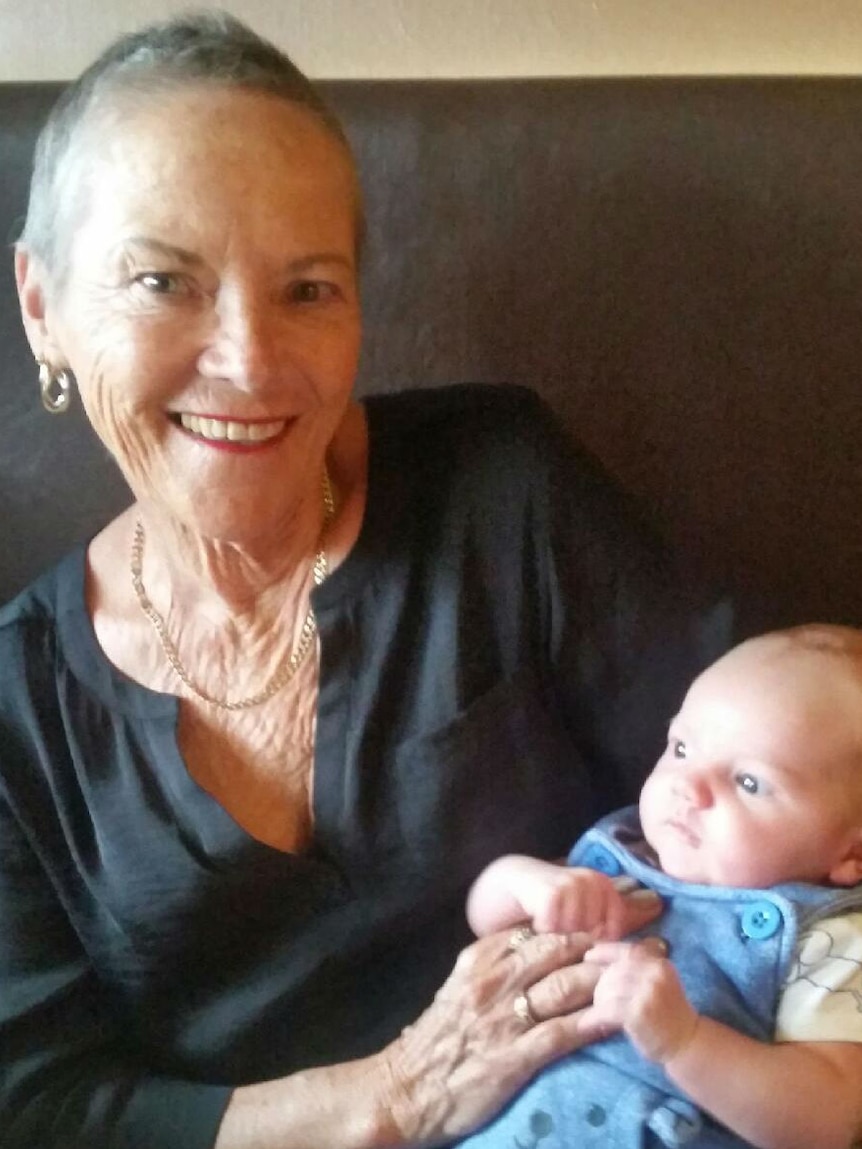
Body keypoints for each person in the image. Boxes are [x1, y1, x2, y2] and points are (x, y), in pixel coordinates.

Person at [1, 12, 730, 1149]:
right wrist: (395, 1097)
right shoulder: (15, 713)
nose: (249, 361)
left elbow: (786, 766)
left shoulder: (501, 488)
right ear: (41, 305)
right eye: (162, 281)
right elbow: (41, 1106)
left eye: (307, 289)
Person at [462, 625, 862, 1149]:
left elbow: (826, 1123)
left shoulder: (831, 944)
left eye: (748, 782)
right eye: (681, 748)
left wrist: (687, 1044)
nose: (687, 787)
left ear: (850, 853)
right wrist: (526, 882)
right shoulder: (619, 850)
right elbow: (484, 917)